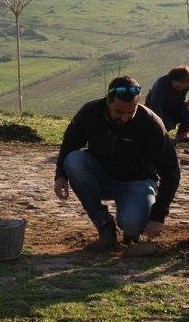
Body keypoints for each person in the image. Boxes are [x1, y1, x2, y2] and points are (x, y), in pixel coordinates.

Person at [54, 76, 181, 251]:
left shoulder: (151, 123)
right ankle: (104, 224)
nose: (125, 118)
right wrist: (60, 175)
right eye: (120, 113)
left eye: (131, 112)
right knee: (74, 160)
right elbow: (70, 143)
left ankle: (132, 229)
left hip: (137, 182)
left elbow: (171, 171)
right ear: (108, 101)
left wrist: (158, 216)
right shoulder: (90, 112)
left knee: (132, 224)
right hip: (102, 177)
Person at [144, 65, 189, 142]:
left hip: (175, 109)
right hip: (158, 112)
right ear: (172, 79)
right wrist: (161, 125)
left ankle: (182, 135)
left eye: (184, 87)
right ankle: (158, 136)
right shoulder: (162, 82)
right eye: (177, 86)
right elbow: (155, 105)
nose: (180, 88)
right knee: (167, 125)